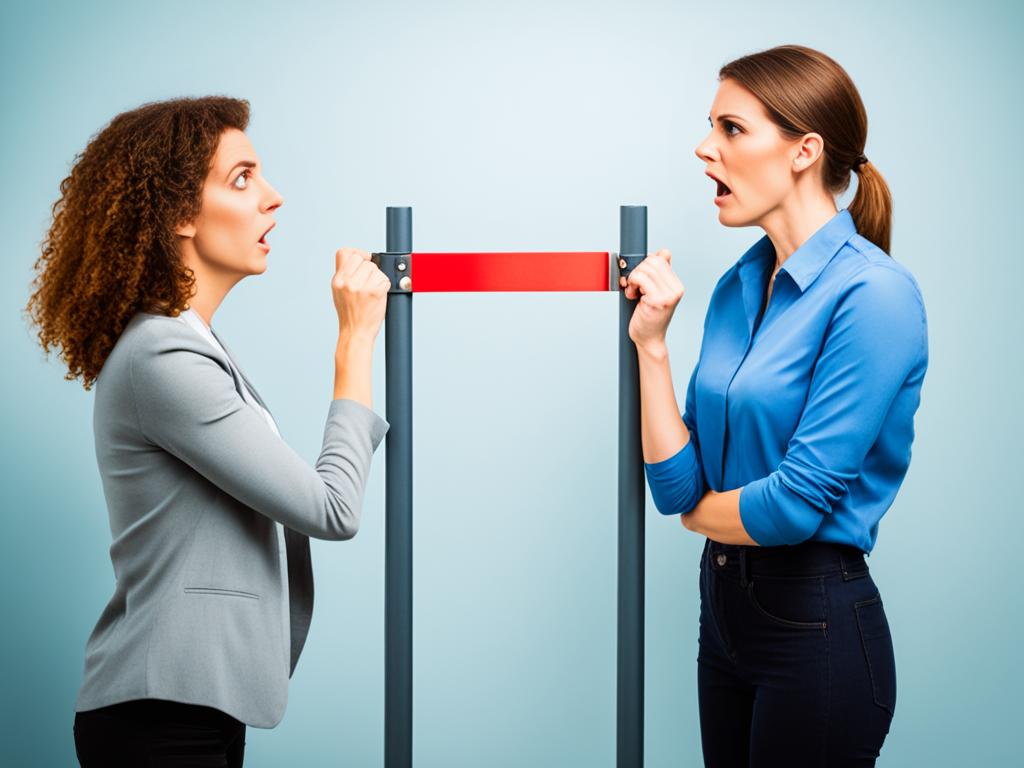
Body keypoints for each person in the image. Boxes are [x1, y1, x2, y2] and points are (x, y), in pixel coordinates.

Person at [25, 96, 391, 766]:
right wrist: (357, 341)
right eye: (243, 178)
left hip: (194, 706)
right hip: (159, 716)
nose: (273, 198)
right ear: (180, 215)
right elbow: (331, 510)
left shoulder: (185, 345)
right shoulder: (163, 359)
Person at [625, 46, 928, 766]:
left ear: (804, 151)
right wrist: (652, 347)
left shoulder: (875, 296)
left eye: (731, 129)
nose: (704, 148)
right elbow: (673, 483)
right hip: (723, 618)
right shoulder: (740, 284)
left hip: (815, 623)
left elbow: (794, 505)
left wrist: (702, 515)